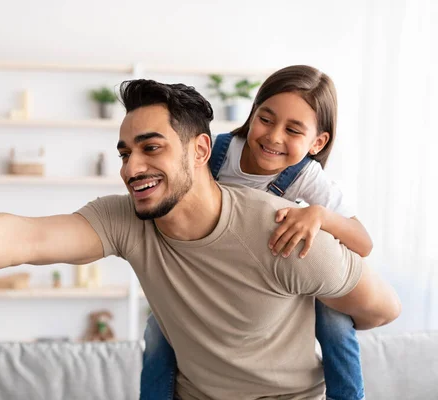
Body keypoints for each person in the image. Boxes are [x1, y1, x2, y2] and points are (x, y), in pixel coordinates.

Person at [0, 79, 401, 400]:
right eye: (124, 152)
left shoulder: (279, 227)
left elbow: (380, 309)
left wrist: (298, 316)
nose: (131, 167)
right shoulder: (127, 221)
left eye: (151, 147)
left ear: (199, 150)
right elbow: (27, 237)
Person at [142, 65, 372, 400]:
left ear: (316, 142)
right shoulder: (213, 155)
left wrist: (319, 215)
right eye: (266, 119)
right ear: (252, 114)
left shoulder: (305, 176)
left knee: (337, 325)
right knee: (156, 330)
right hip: (213, 272)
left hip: (281, 280)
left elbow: (363, 242)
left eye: (293, 130)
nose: (274, 137)